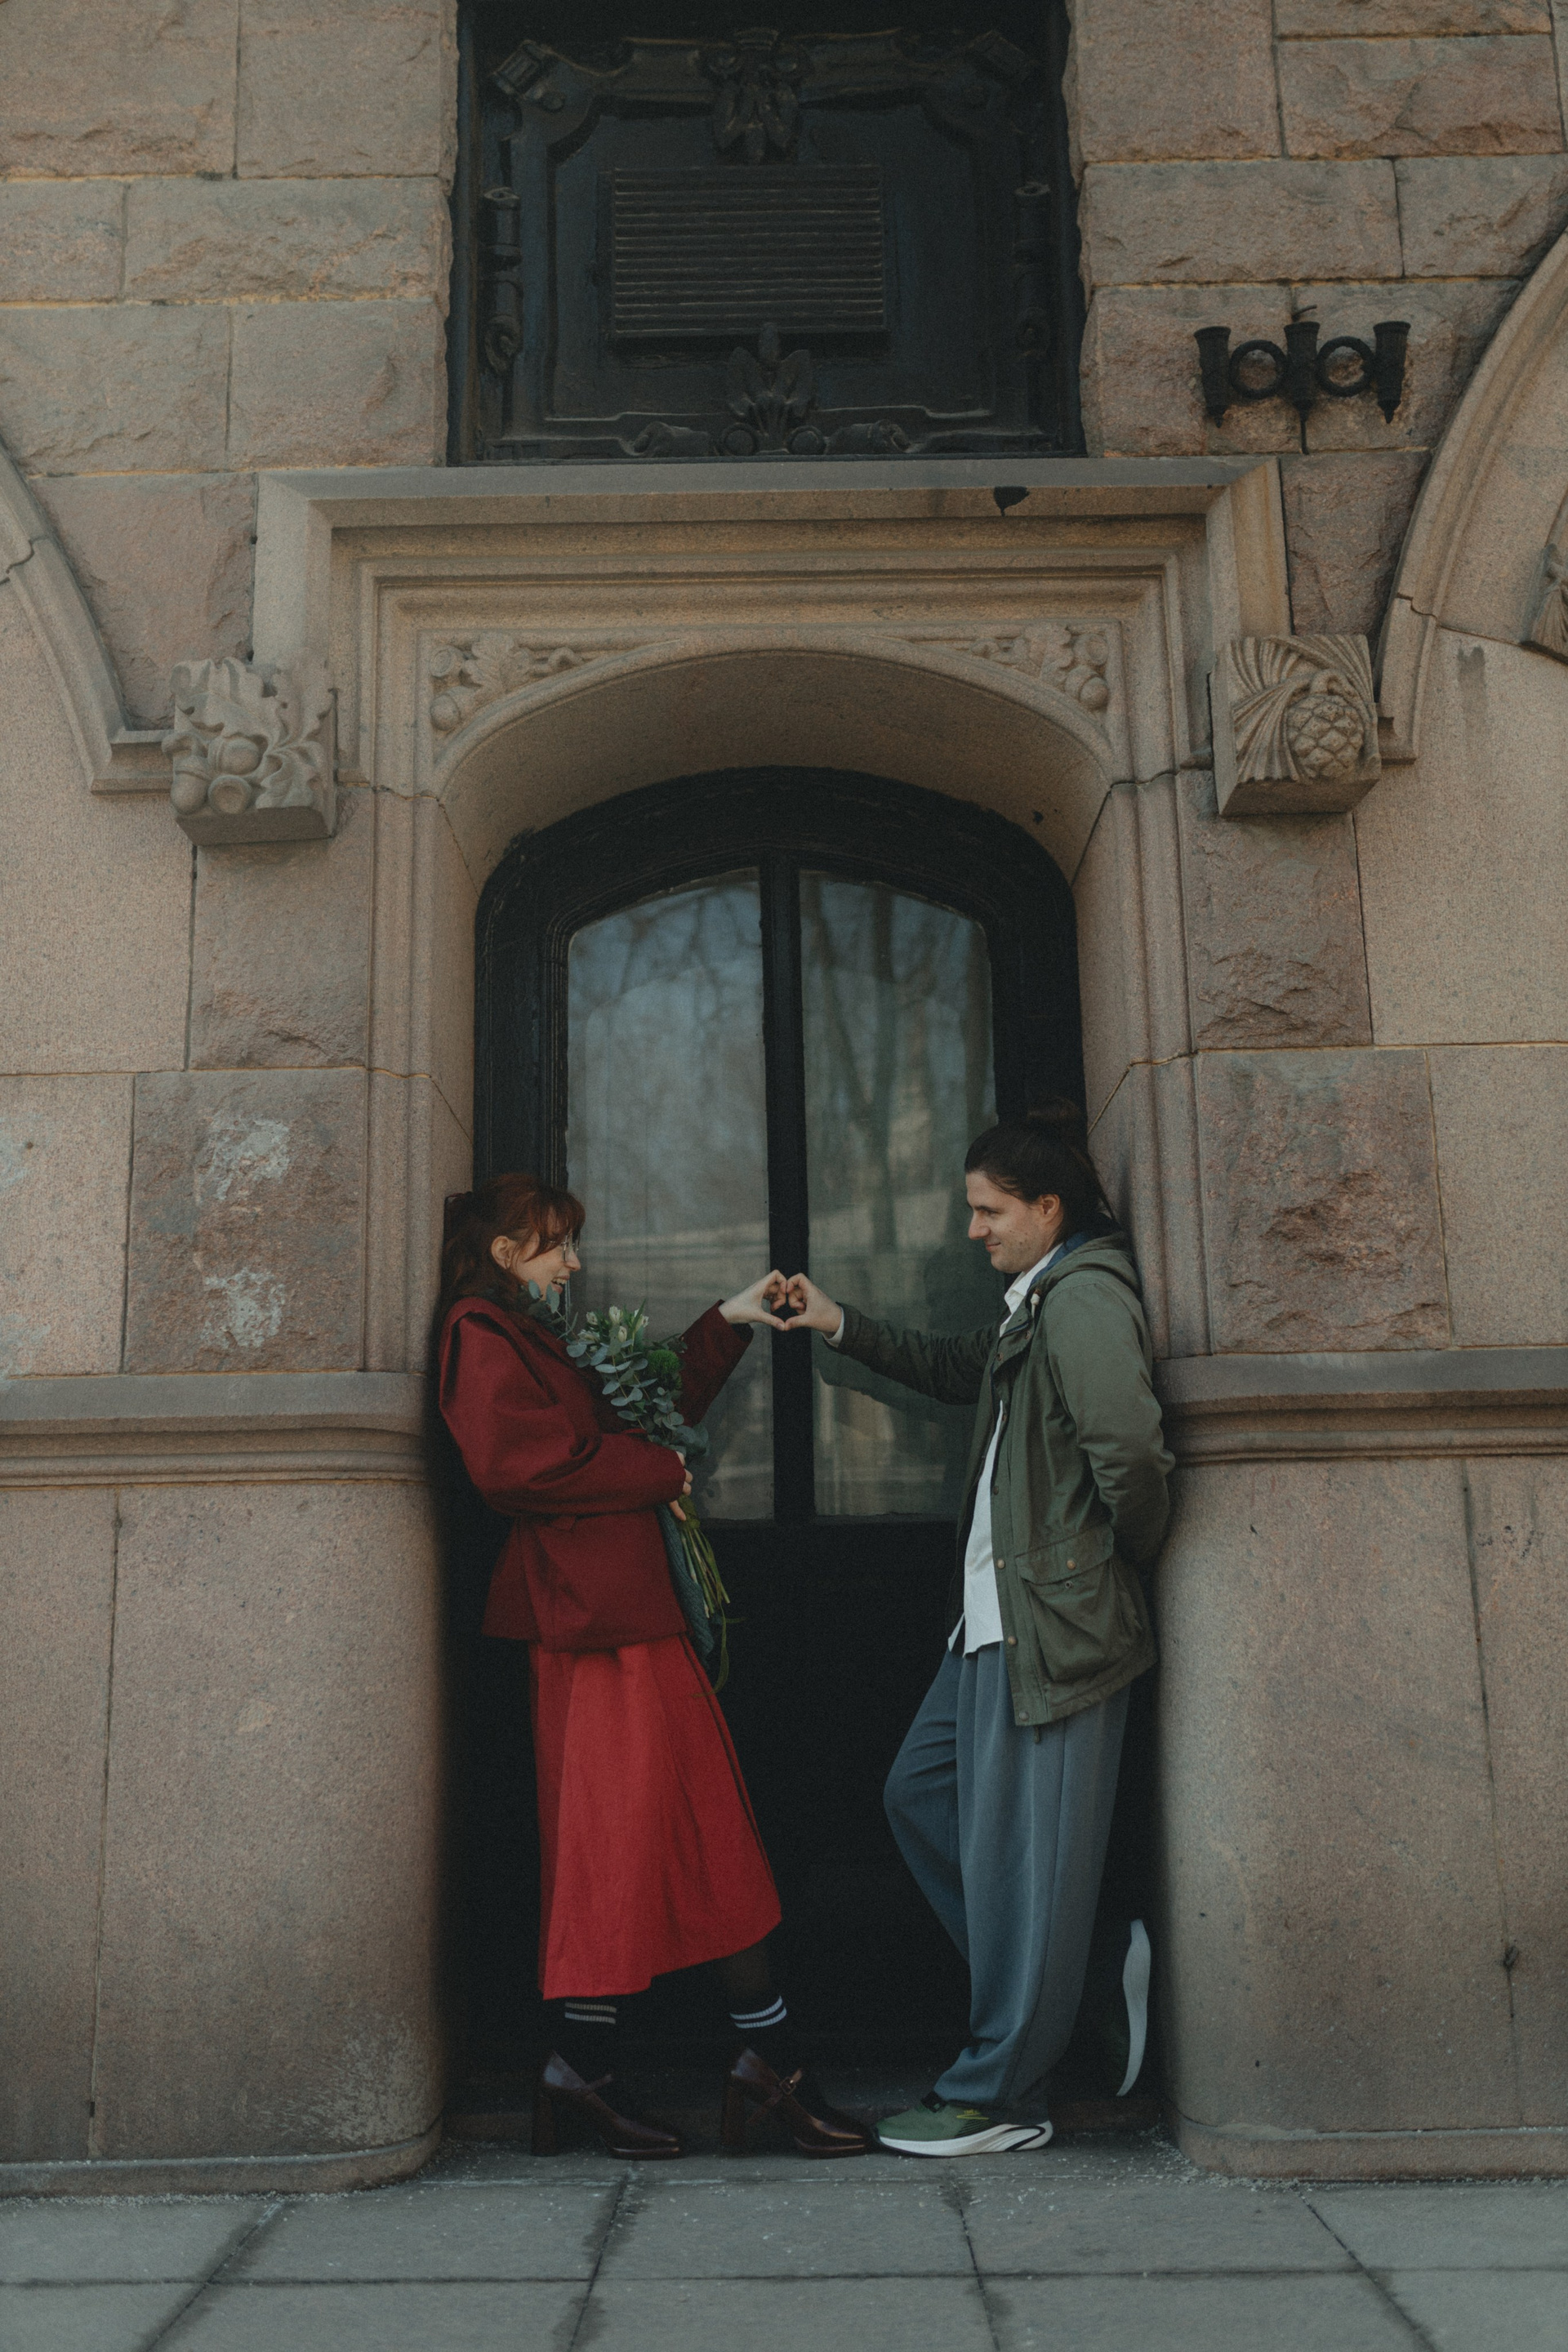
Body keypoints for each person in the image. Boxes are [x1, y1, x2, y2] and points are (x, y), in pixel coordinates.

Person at [435, 1172, 871, 2161]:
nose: (574, 1262)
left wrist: (730, 1319)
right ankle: (667, 2068)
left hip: (625, 1620)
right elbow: (516, 1468)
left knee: (688, 1834)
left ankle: (709, 2065)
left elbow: (635, 1413)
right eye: (556, 1245)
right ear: (504, 1253)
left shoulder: (528, 1333)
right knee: (619, 1844)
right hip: (594, 1628)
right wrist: (659, 1472)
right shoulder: (480, 1332)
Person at [783, 1101, 1172, 2157]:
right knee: (921, 1795)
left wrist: (1104, 1567)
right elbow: (959, 1371)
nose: (973, 1229)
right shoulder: (1034, 1302)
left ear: (1049, 1208)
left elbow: (1132, 1457)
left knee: (1028, 1872)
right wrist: (839, 1323)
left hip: (1053, 1626)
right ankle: (1086, 1972)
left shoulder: (1083, 1299)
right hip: (993, 1627)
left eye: (990, 1210)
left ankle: (1001, 2094)